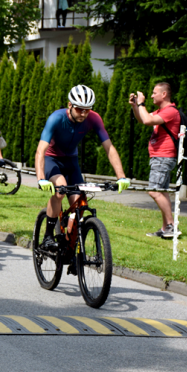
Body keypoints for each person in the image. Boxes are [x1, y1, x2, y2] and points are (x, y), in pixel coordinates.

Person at [37, 85, 130, 251]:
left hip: (72, 161)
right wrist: (41, 178)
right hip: (52, 160)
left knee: (80, 204)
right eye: (80, 109)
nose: (83, 114)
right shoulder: (56, 118)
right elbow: (40, 150)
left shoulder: (94, 118)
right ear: (70, 105)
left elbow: (109, 148)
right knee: (60, 190)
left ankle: (71, 247)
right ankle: (48, 237)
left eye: (87, 110)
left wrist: (121, 176)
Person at [130, 82, 182, 238]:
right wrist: (135, 106)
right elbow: (142, 118)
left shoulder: (170, 111)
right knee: (162, 192)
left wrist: (141, 103)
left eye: (154, 93)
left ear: (164, 94)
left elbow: (147, 121)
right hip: (159, 157)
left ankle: (172, 226)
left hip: (163, 157)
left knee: (154, 190)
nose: (152, 95)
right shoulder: (162, 111)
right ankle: (165, 227)